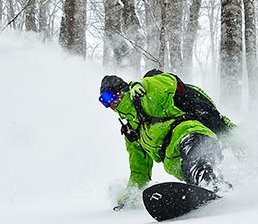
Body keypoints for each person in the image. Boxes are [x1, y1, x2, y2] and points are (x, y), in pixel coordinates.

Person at [99, 70, 234, 210]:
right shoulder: (132, 130)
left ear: (120, 91)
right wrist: (129, 197)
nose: (109, 104)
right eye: (104, 101)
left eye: (108, 97)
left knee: (195, 158)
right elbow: (139, 170)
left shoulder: (145, 95)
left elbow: (169, 80)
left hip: (188, 134)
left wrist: (140, 85)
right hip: (173, 161)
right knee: (190, 171)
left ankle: (209, 183)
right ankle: (210, 186)